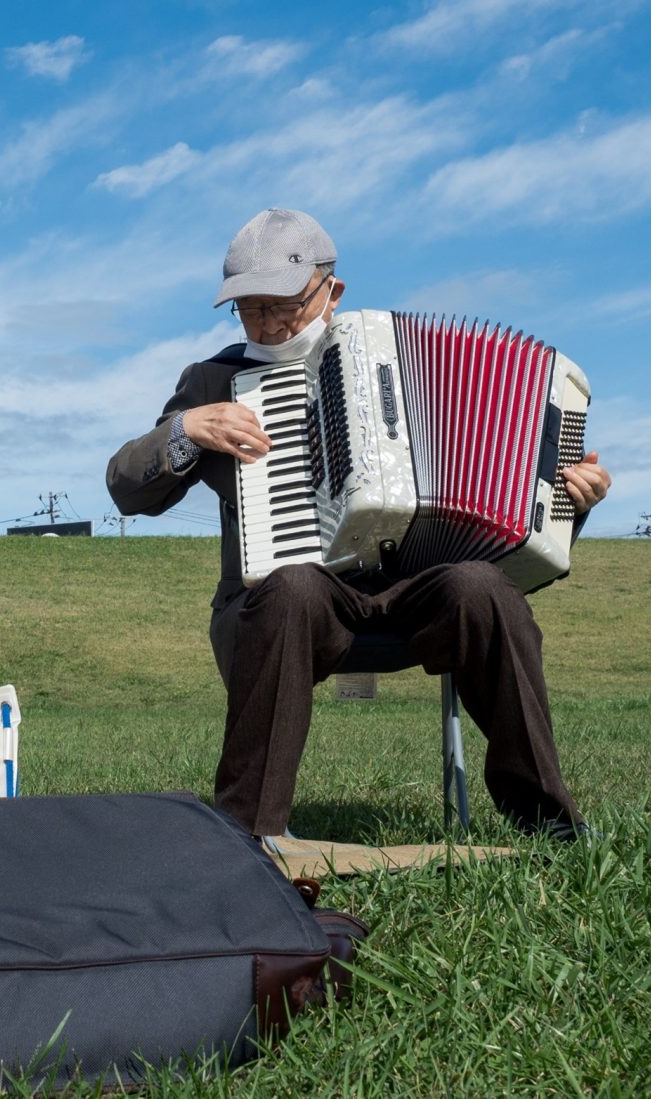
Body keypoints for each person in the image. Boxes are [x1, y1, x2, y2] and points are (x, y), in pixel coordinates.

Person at [105, 208, 612, 843]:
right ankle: (248, 837)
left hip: (412, 597)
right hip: (284, 609)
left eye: (283, 305)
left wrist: (573, 502)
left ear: (332, 291)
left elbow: (513, 519)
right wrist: (185, 430)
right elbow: (126, 487)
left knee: (482, 587)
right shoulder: (215, 380)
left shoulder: (391, 352)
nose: (267, 323)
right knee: (293, 585)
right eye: (250, 308)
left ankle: (549, 823)